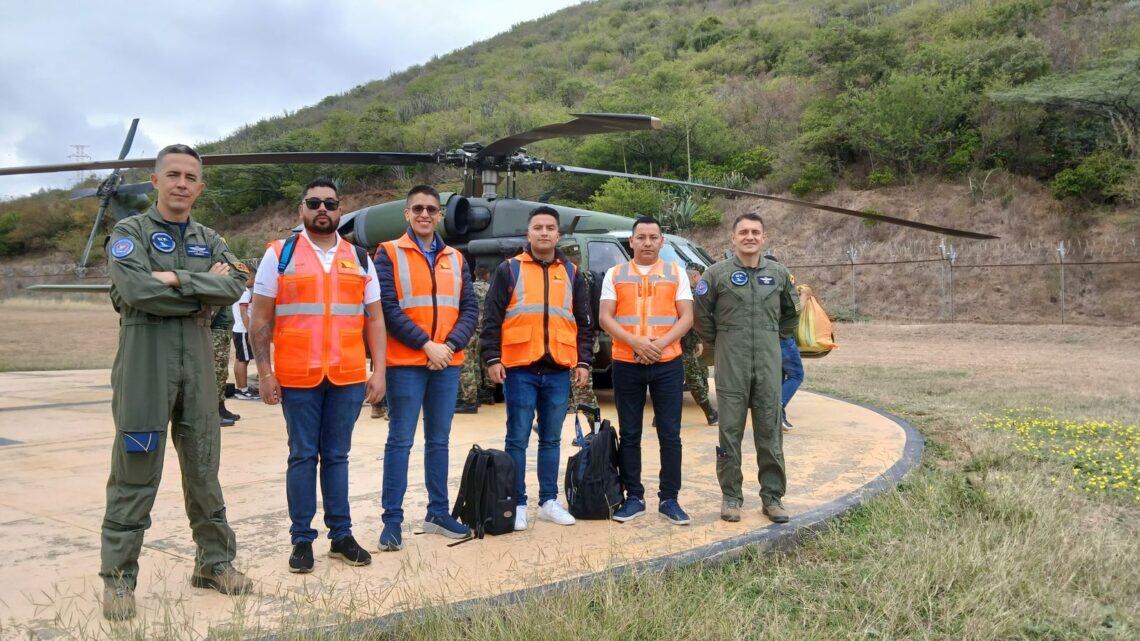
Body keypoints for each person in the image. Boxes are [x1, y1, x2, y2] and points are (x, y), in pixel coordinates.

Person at [100, 144, 252, 621]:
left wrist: (173, 279)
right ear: (156, 181)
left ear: (200, 187)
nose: (182, 183)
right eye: (174, 175)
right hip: (146, 363)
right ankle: (119, 580)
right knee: (136, 470)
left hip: (199, 365)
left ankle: (214, 563)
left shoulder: (210, 236)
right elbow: (136, 290)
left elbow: (235, 285)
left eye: (191, 176)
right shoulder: (129, 233)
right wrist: (199, 286)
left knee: (205, 466)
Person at [250, 177, 387, 573]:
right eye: (314, 203)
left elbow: (374, 319)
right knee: (303, 456)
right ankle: (301, 540)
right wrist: (264, 372)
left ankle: (341, 536)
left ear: (340, 210)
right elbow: (260, 319)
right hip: (297, 376)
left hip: (346, 376)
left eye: (329, 203)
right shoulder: (279, 254)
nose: (322, 209)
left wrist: (379, 370)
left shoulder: (360, 258)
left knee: (338, 457)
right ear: (302, 210)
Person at [374, 184, 478, 550]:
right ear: (406, 213)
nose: (424, 214)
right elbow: (387, 307)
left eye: (431, 209)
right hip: (406, 363)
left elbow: (469, 309)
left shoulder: (456, 258)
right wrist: (425, 344)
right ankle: (392, 520)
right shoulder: (387, 253)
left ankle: (437, 512)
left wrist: (448, 346)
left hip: (446, 363)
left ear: (439, 215)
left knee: (439, 440)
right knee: (400, 441)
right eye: (417, 208)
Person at [480, 205, 593, 530]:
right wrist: (492, 357)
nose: (544, 233)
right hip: (520, 368)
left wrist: (583, 360)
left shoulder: (572, 273)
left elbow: (584, 323)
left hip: (558, 368)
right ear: (528, 233)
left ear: (558, 234)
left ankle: (548, 501)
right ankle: (515, 503)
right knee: (516, 438)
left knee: (551, 439)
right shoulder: (509, 269)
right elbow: (492, 318)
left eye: (550, 228)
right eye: (538, 227)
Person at [694, 212, 799, 525]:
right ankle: (731, 497)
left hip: (768, 365)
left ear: (763, 237)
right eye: (744, 232)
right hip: (731, 364)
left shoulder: (779, 274)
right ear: (733, 237)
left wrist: (771, 336)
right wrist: (722, 339)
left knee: (770, 432)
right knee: (730, 433)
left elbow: (791, 315)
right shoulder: (715, 274)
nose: (750, 237)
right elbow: (700, 315)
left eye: (755, 232)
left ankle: (773, 498)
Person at [598, 216, 693, 525]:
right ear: (632, 241)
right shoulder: (616, 274)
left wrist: (659, 344)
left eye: (654, 237)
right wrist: (637, 343)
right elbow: (605, 317)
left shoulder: (675, 273)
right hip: (627, 362)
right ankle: (633, 497)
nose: (648, 242)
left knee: (670, 433)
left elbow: (686, 317)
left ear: (662, 241)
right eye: (642, 237)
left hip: (667, 363)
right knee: (630, 433)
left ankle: (669, 498)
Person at [764, 254, 804, 432]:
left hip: (766, 339)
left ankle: (779, 418)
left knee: (778, 377)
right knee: (796, 375)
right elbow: (795, 310)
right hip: (782, 338)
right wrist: (805, 296)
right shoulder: (782, 281)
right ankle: (777, 406)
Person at [682, 263, 718, 426]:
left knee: (693, 375)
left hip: (684, 342)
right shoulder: (688, 293)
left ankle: (657, 419)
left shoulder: (685, 291)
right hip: (681, 344)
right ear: (695, 276)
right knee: (693, 378)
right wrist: (697, 341)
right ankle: (710, 413)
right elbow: (693, 320)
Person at [567, 253, 600, 415]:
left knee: (583, 389)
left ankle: (595, 431)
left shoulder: (578, 279)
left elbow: (582, 315)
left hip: (578, 340)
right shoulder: (582, 277)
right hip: (574, 340)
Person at [456, 264, 491, 413]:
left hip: (471, 329)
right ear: (487, 275)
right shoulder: (491, 289)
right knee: (482, 363)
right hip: (486, 329)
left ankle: (470, 398)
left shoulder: (471, 288)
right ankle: (486, 393)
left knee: (468, 363)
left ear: (475, 273)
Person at [231, 273, 259, 401]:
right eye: (254, 278)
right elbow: (244, 314)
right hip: (243, 330)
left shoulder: (240, 290)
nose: (254, 281)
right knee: (243, 360)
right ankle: (243, 390)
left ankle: (240, 388)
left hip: (238, 329)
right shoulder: (245, 292)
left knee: (240, 359)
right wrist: (250, 332)